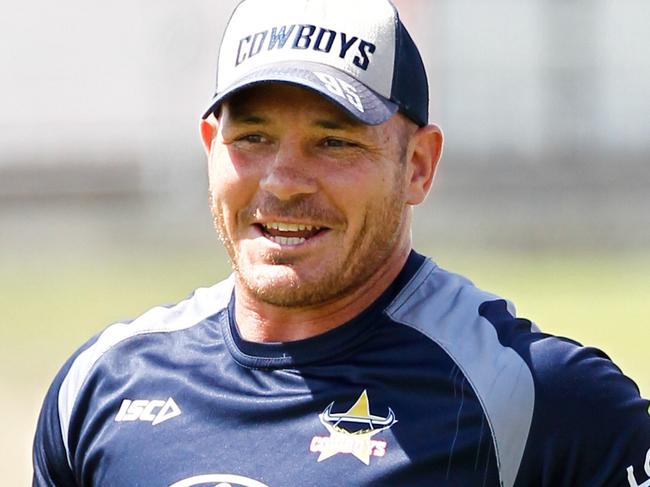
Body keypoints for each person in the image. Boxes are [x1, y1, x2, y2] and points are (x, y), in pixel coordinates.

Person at [33, 0, 650, 486]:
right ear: (209, 150)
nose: (283, 182)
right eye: (252, 138)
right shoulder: (100, 387)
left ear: (418, 167)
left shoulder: (533, 397)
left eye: (334, 142)